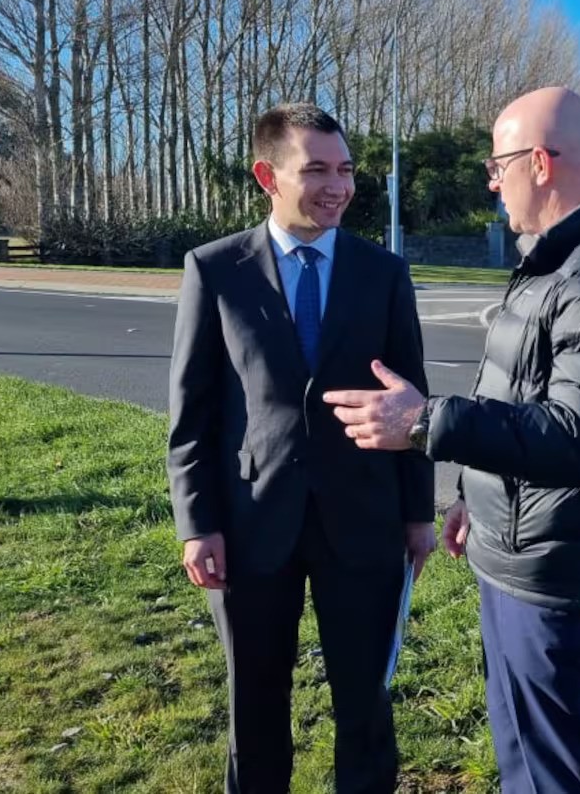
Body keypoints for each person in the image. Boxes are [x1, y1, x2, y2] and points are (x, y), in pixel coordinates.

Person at [323, 86, 580, 793]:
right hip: (520, 553)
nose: (491, 179)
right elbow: (516, 397)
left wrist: (425, 423)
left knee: (560, 775)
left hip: (557, 580)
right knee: (526, 761)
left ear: (540, 163)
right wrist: (474, 500)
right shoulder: (557, 258)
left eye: (498, 163)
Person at [166, 102, 436, 794]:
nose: (337, 186)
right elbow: (192, 415)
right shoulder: (216, 270)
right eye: (316, 169)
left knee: (366, 704)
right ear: (267, 175)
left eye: (345, 169)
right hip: (253, 524)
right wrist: (198, 525)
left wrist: (417, 515)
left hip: (364, 521)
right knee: (255, 702)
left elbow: (412, 403)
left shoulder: (384, 274)